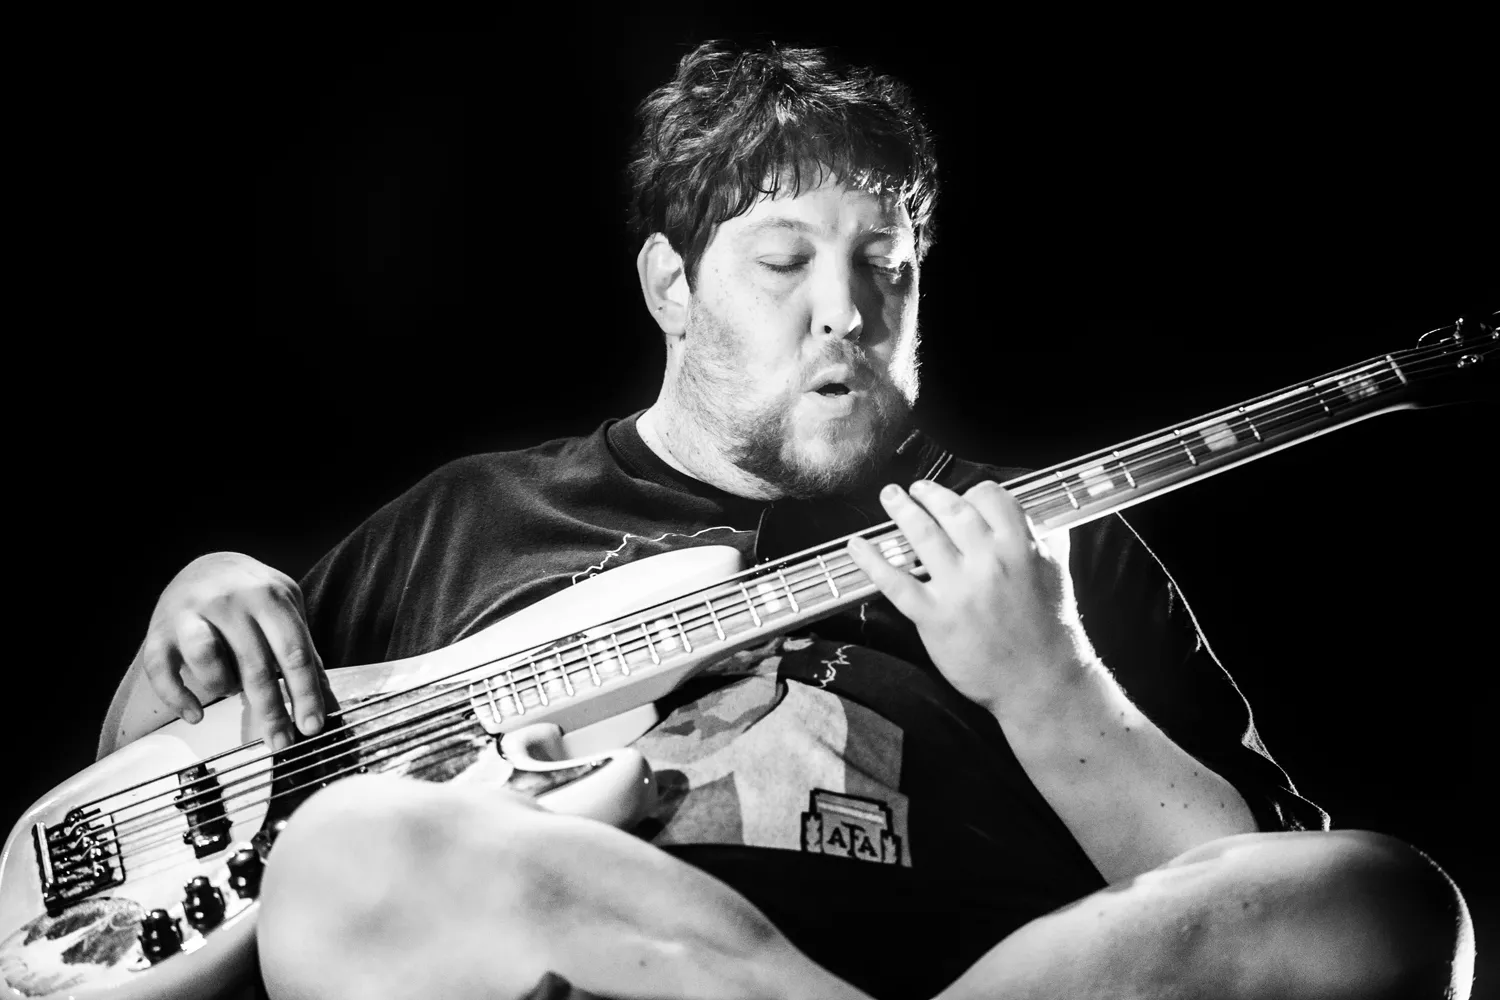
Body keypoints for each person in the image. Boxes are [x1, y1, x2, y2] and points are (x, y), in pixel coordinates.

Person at [98, 41, 1473, 1000]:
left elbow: (1254, 906)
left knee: (1381, 899)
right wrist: (180, 644)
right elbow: (134, 873)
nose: (846, 312)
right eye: (783, 261)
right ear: (670, 286)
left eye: (888, 267)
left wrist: (1048, 680)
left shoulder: (1046, 545)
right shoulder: (468, 521)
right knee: (350, 853)